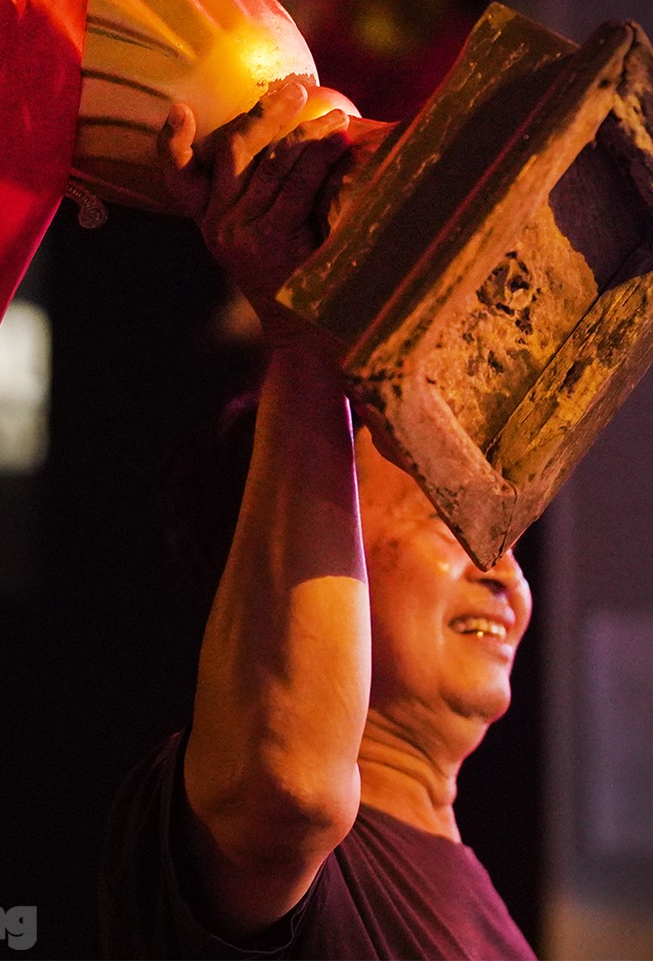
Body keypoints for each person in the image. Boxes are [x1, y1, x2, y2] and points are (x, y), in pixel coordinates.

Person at [98, 81, 536, 959]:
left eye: (496, 534)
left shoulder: (467, 890)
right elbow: (287, 786)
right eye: (446, 518)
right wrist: (302, 342)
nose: (501, 566)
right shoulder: (263, 830)